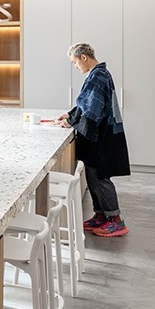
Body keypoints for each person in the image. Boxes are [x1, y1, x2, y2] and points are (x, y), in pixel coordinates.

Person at [57, 43, 131, 237]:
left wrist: (71, 122)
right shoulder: (97, 74)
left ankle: (115, 220)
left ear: (83, 57)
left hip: (101, 135)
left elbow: (93, 111)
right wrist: (71, 114)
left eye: (74, 62)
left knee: (101, 177)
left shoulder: (98, 76)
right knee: (92, 177)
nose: (75, 67)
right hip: (97, 134)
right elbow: (86, 104)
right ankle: (100, 215)